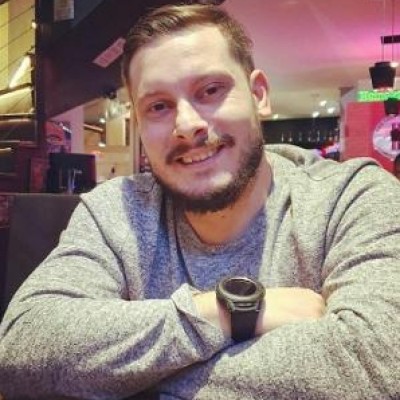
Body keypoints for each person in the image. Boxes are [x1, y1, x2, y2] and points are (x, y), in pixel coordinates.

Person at [1, 4, 400, 400]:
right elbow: (22, 348)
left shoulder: (352, 197)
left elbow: (379, 369)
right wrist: (224, 315)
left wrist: (131, 375)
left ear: (258, 95)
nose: (187, 125)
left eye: (210, 91)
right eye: (159, 106)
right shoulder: (115, 210)